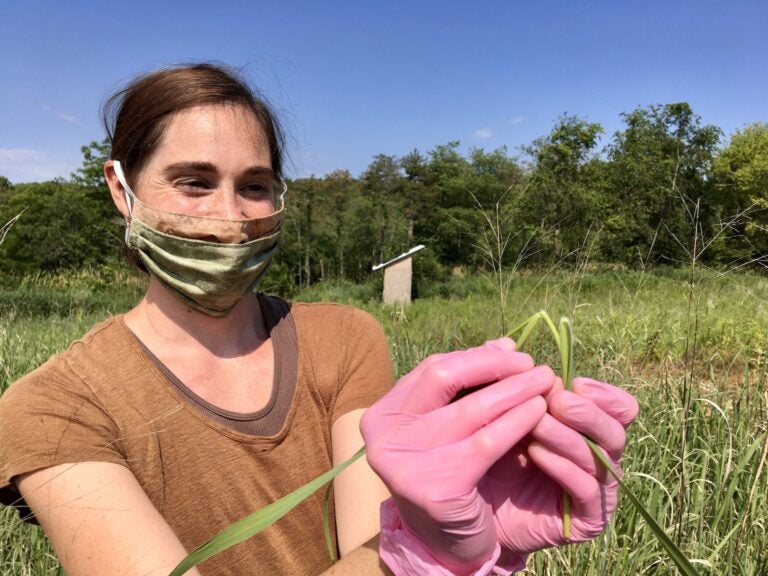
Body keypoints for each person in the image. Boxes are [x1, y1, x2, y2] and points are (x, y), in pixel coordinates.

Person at [0, 63, 638, 576]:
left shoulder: (343, 339)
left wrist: (459, 529)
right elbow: (380, 555)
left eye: (254, 186)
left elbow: (364, 539)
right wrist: (413, 551)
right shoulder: (51, 409)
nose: (231, 218)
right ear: (121, 189)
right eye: (193, 183)